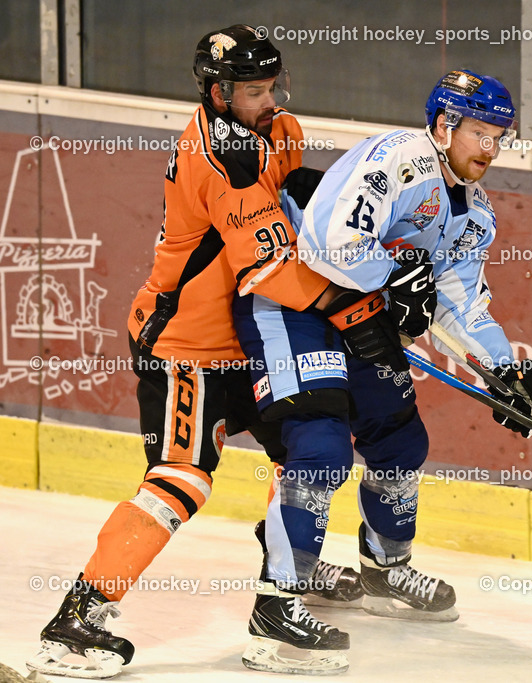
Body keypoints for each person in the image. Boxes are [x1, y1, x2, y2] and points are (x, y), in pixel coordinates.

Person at [27, 24, 363, 679]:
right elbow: (270, 270)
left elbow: (299, 218)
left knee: (307, 447)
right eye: (254, 91)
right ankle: (78, 617)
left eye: (274, 87)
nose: (270, 101)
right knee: (181, 479)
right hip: (187, 348)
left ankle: (282, 590)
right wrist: (362, 306)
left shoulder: (278, 130)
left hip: (247, 338)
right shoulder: (215, 160)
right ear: (217, 93)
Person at [231, 68, 532, 674]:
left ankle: (384, 570)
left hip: (359, 320)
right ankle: (276, 606)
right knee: (321, 450)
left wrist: (505, 371)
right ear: (444, 125)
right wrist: (395, 277)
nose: (492, 148)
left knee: (401, 441)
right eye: (481, 132)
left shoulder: (474, 214)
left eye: (500, 136)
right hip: (297, 305)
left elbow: (458, 304)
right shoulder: (399, 160)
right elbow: (327, 240)